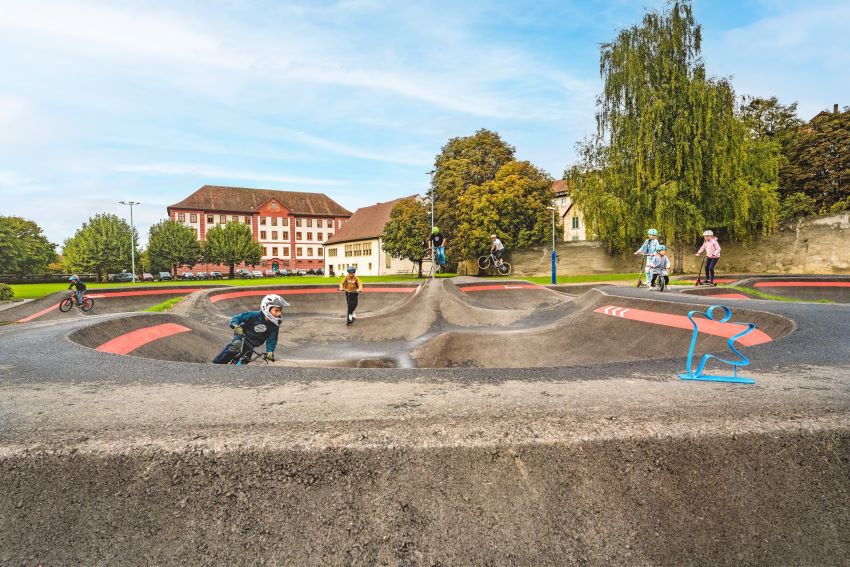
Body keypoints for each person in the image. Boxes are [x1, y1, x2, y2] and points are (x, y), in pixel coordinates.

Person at [212, 294, 288, 364]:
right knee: (235, 347)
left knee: (245, 360)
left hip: (252, 344)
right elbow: (236, 318)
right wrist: (235, 325)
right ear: (266, 308)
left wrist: (270, 351)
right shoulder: (254, 315)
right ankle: (216, 364)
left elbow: (272, 340)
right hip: (242, 336)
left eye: (280, 311)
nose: (279, 314)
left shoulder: (275, 325)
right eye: (276, 310)